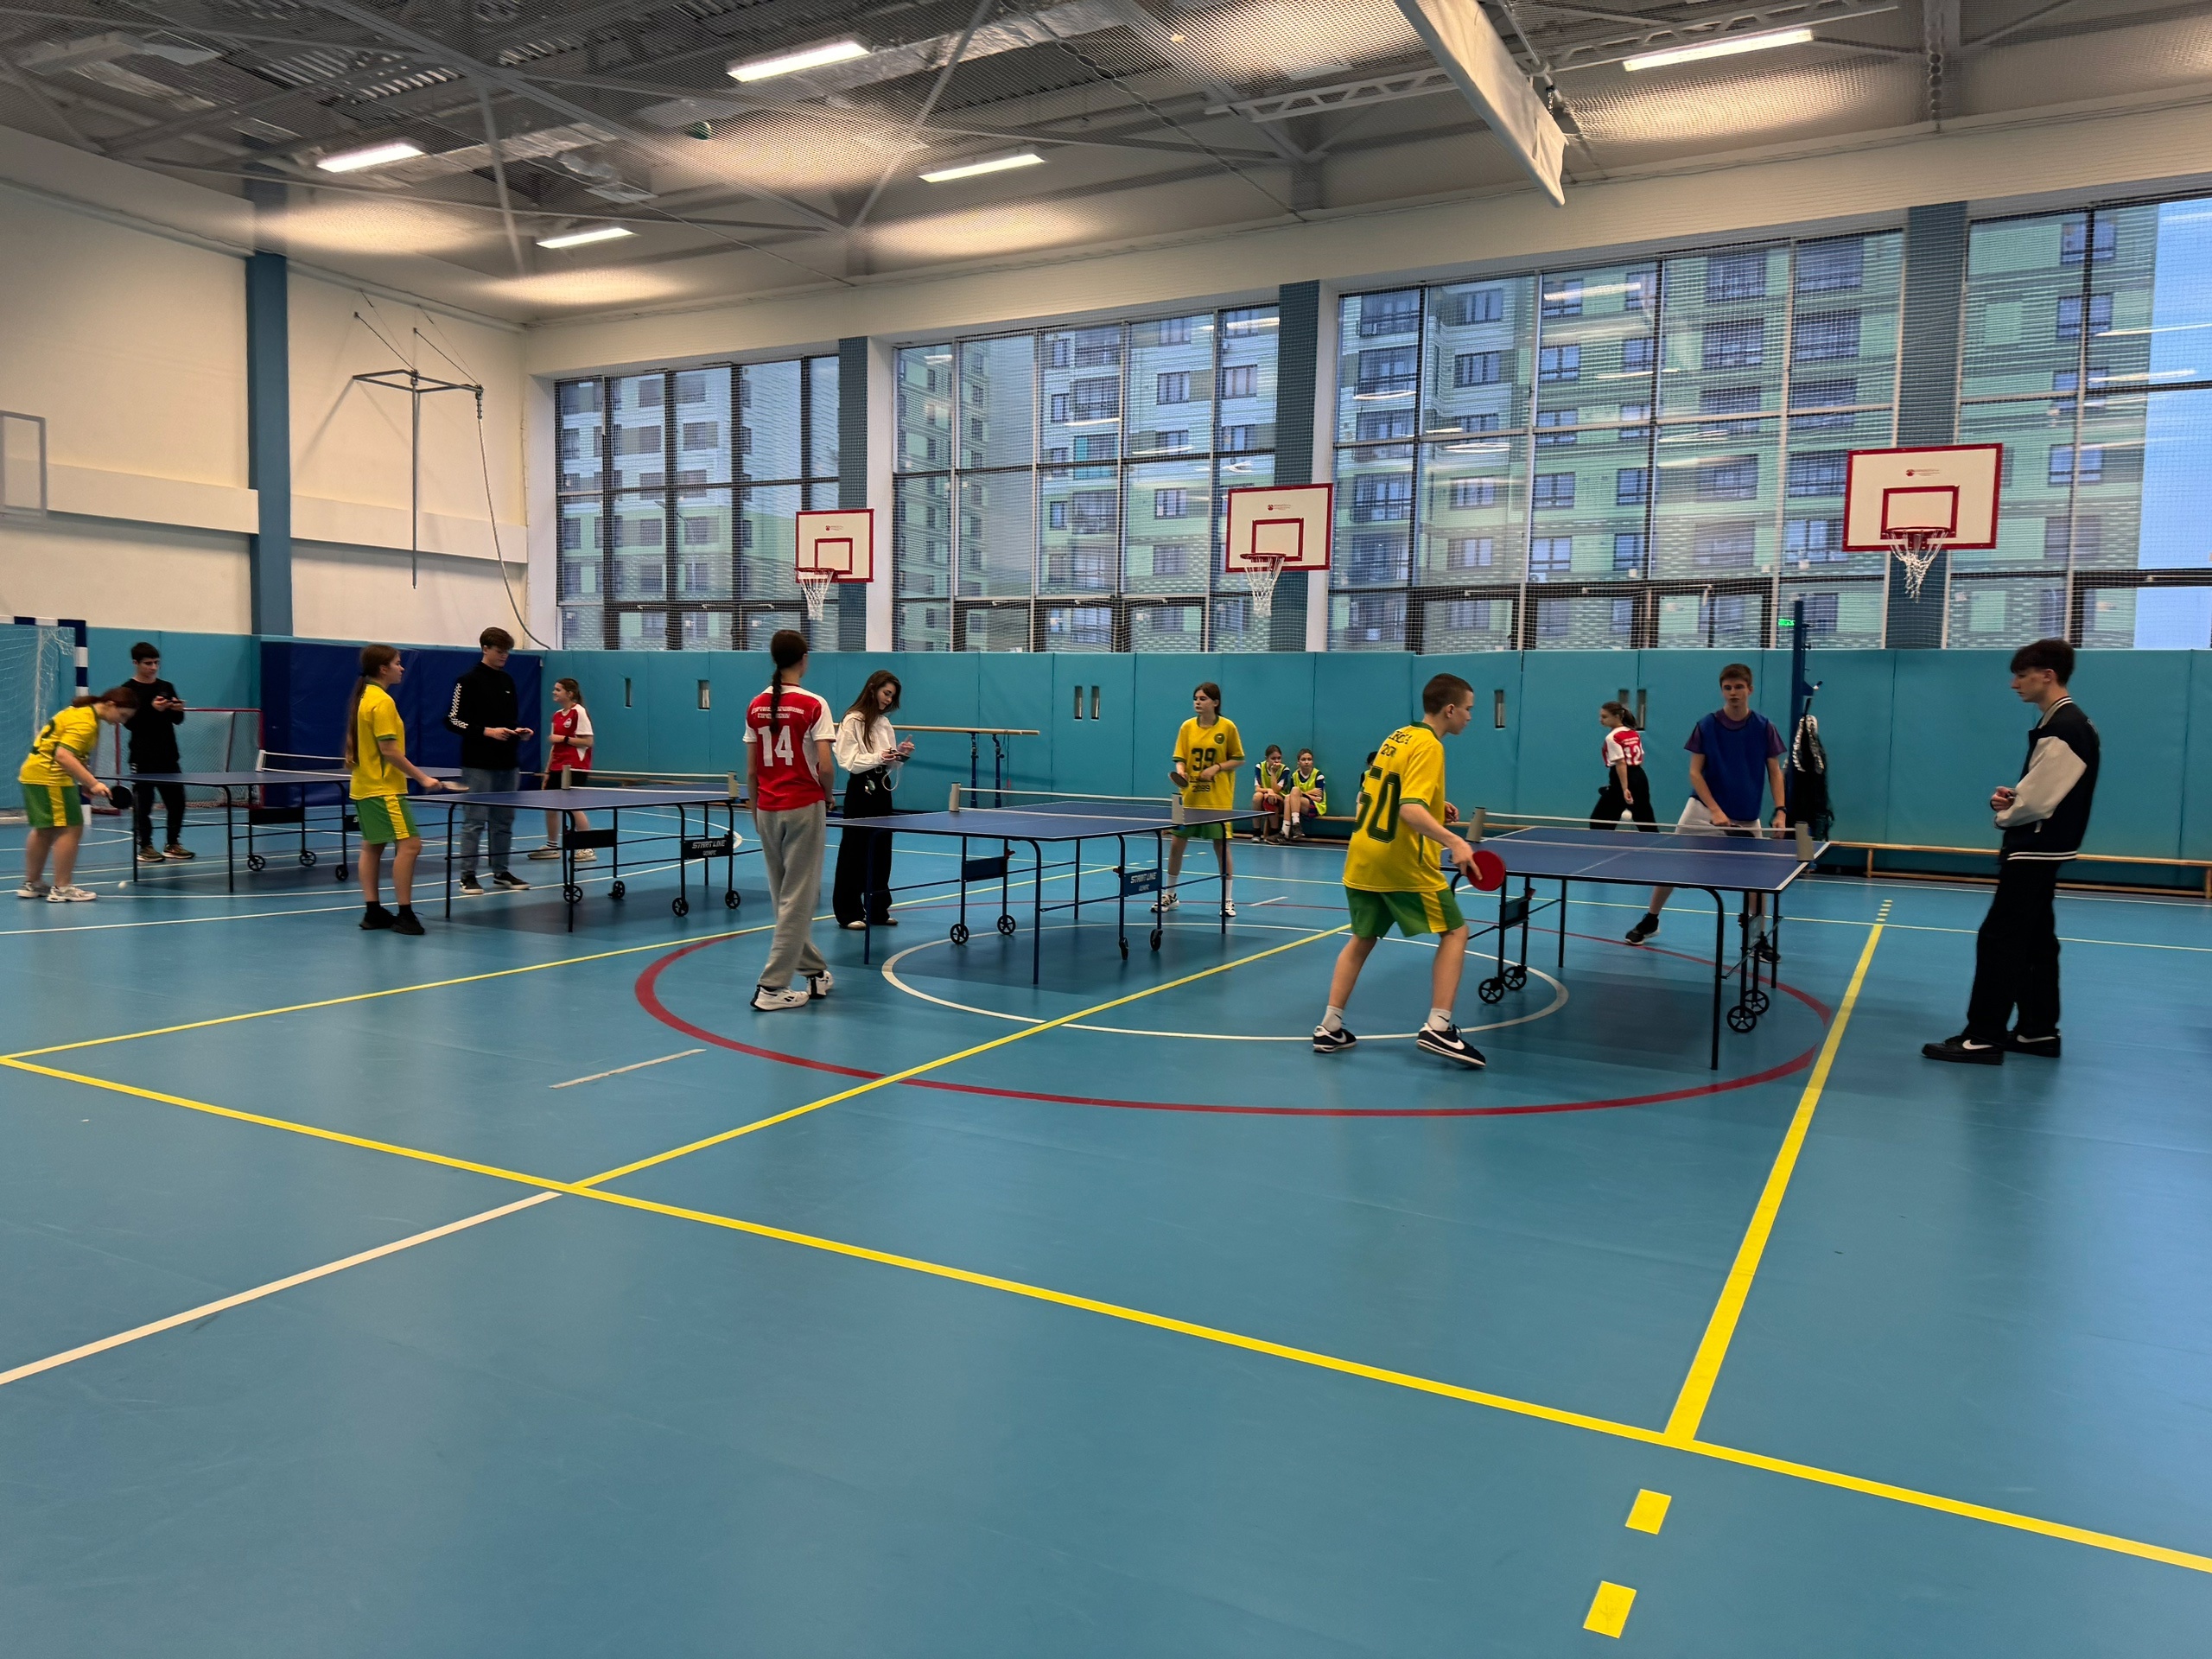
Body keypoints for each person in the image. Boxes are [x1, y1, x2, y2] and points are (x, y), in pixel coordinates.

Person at [1923, 639, 2100, 1066]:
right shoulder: (2066, 723)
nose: (2014, 684)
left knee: (2000, 939)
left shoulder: (2065, 727)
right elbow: (2044, 791)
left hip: (2034, 850)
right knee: (2037, 941)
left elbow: (2038, 803)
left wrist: (2006, 813)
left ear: (2048, 676)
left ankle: (1983, 1036)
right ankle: (2038, 1031)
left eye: (2022, 675)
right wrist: (2015, 798)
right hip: (2046, 848)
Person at [1313, 674, 1485, 1069]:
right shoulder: (1431, 746)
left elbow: (1384, 792)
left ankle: (1330, 1026)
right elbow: (1408, 810)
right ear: (1450, 710)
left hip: (1363, 855)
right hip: (1400, 862)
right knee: (1456, 932)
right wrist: (1455, 842)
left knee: (1362, 938)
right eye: (1469, 709)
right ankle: (1438, 1027)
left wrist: (1435, 806)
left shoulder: (1399, 736)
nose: (1470, 717)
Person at [1624, 663, 1786, 957]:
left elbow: (1775, 772)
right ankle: (1651, 919)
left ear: (1750, 690)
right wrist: (1714, 809)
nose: (1733, 693)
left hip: (1746, 815)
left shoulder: (1764, 727)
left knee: (1758, 881)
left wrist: (1781, 810)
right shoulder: (1707, 725)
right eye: (1728, 687)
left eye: (1739, 687)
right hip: (1702, 810)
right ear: (1722, 690)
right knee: (1673, 865)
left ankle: (1759, 936)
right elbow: (1695, 773)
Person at [746, 630, 836, 1012]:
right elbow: (826, 766)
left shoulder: (755, 706)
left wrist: (755, 809)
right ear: (804, 659)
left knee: (784, 896)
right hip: (803, 805)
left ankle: (813, 971)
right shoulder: (814, 704)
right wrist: (827, 795)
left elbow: (752, 771)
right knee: (799, 898)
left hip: (767, 808)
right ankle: (771, 986)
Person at [348, 645, 464, 935]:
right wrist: (422, 778)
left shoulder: (365, 696)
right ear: (383, 669)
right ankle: (405, 915)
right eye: (398, 663)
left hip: (363, 786)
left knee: (372, 845)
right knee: (411, 845)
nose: (402, 668)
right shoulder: (382, 701)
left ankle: (373, 912)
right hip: (383, 789)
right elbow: (389, 751)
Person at [18, 684, 137, 903]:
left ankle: (32, 883)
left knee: (44, 830)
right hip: (51, 777)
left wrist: (83, 783)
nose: (122, 721)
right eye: (123, 715)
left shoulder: (80, 713)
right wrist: (93, 783)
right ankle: (62, 888)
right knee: (72, 829)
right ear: (110, 704)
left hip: (33, 774)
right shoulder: (86, 722)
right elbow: (63, 756)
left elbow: (73, 754)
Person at [445, 626, 533, 896]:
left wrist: (519, 731)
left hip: (508, 763)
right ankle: (468, 875)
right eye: (499, 650)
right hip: (478, 764)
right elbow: (453, 720)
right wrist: (486, 732)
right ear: (485, 648)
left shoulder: (508, 681)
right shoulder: (467, 681)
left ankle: (501, 871)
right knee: (474, 821)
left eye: (507, 651)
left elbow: (509, 720)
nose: (504, 655)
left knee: (503, 821)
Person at [832, 669, 913, 930]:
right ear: (872, 689)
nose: (888, 700)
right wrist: (880, 756)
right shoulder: (852, 720)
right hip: (860, 789)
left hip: (882, 787)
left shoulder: (884, 723)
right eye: (886, 693)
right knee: (854, 850)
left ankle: (878, 908)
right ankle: (848, 911)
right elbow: (848, 761)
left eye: (892, 697)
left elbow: (888, 763)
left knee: (881, 849)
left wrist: (899, 755)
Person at [1159, 681, 1243, 918]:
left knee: (1221, 848)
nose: (1198, 702)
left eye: (1203, 698)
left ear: (1215, 702)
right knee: (1176, 845)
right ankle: (1170, 895)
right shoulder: (1186, 727)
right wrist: (1181, 770)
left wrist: (1217, 767)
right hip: (1186, 798)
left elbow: (1238, 759)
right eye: (1196, 698)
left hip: (1218, 799)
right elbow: (1180, 758)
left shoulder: (1227, 727)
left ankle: (1227, 900)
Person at [124, 642, 193, 863]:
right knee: (144, 804)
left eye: (156, 663)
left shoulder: (166, 686)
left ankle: (173, 843)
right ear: (136, 663)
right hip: (142, 756)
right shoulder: (128, 690)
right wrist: (152, 710)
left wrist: (177, 710)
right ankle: (145, 846)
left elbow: (177, 720)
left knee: (177, 802)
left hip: (168, 755)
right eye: (148, 663)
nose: (153, 667)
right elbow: (131, 724)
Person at [530, 677, 595, 863]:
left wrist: (564, 739)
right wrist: (547, 771)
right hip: (557, 766)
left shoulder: (579, 712)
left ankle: (587, 848)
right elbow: (555, 745)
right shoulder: (557, 715)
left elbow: (588, 741)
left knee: (573, 807)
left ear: (570, 693)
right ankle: (552, 846)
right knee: (550, 807)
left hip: (575, 767)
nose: (554, 692)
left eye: (558, 689)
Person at [1591, 701, 1656, 832]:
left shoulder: (1613, 737)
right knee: (1645, 819)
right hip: (1640, 777)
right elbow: (1640, 757)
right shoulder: (1633, 733)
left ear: (1617, 717)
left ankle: (1601, 844)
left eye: (1604, 717)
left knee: (1598, 821)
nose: (1600, 720)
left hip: (1622, 779)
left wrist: (1625, 788)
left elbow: (1621, 763)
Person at [1283, 747, 1327, 841]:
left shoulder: (1318, 775)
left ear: (1312, 762)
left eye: (1309, 759)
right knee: (1288, 797)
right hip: (1297, 805)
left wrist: (1301, 793)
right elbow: (1292, 796)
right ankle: (1286, 832)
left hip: (1316, 806)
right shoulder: (1294, 775)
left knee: (1294, 792)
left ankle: (1294, 825)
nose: (1307, 762)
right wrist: (1307, 793)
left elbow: (1319, 799)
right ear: (1298, 762)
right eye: (1303, 759)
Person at [1252, 745, 1288, 841]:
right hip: (1265, 794)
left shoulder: (1285, 770)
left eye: (1279, 758)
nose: (1276, 761)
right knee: (1257, 797)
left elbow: (1276, 790)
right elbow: (1257, 788)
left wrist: (1273, 772)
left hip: (1280, 799)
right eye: (1273, 758)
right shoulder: (1259, 767)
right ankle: (1256, 832)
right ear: (1266, 758)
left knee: (1271, 797)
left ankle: (1274, 831)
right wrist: (1268, 790)